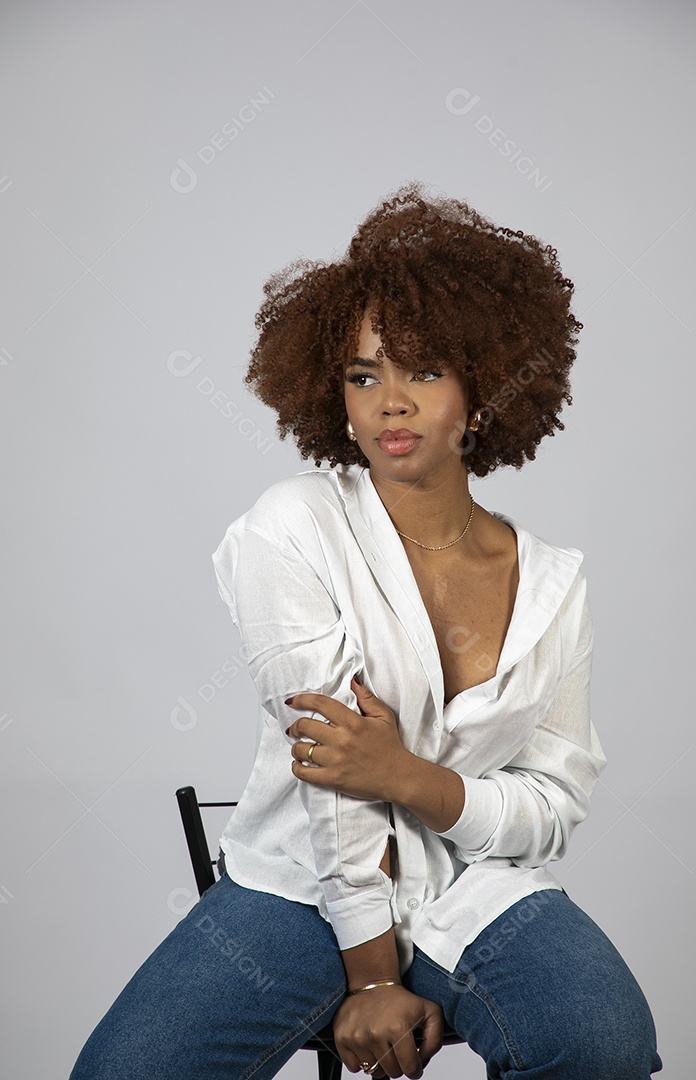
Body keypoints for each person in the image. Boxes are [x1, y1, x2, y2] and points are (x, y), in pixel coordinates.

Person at [69, 183, 662, 1079]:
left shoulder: (552, 582)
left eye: (423, 370)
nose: (390, 400)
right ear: (332, 393)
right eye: (362, 374)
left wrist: (413, 779)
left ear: (485, 386)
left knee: (603, 1044)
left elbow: (549, 810)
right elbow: (335, 775)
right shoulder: (293, 526)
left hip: (476, 886)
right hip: (303, 887)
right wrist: (375, 977)